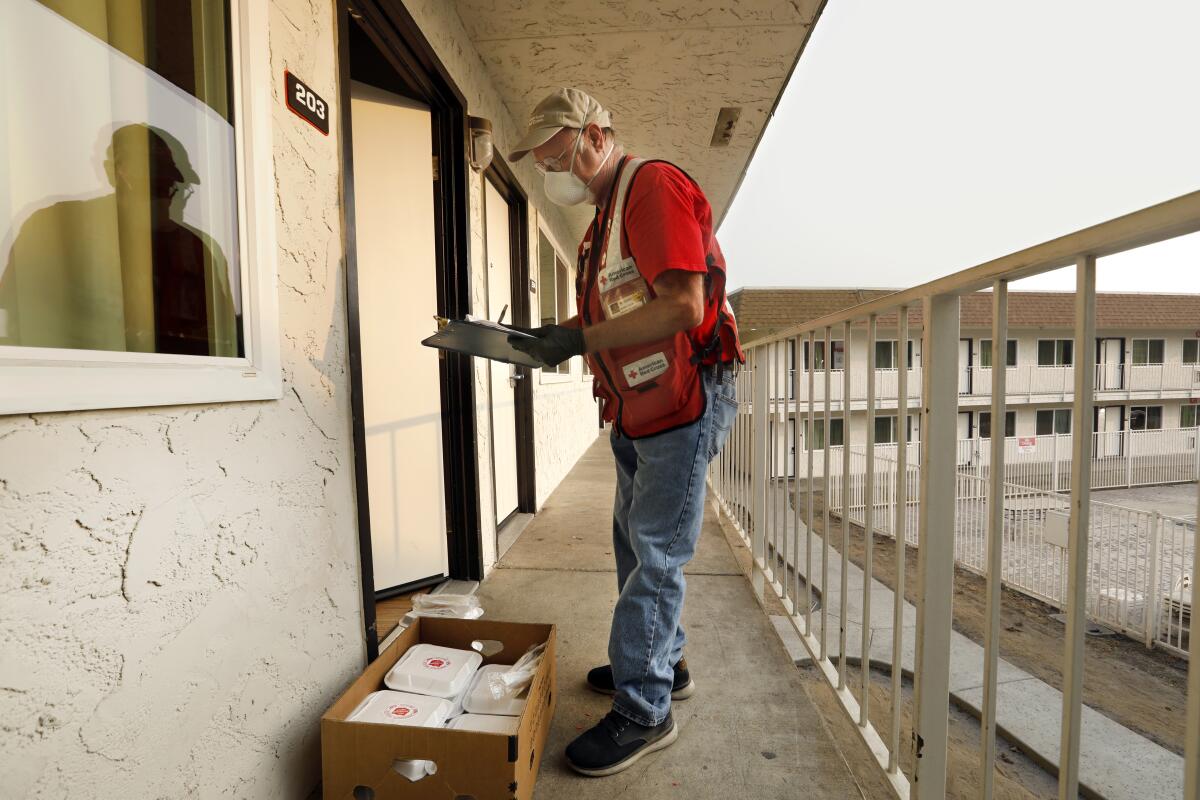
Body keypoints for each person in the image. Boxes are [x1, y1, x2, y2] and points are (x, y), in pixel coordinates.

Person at [506, 88, 744, 777]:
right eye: (544, 158)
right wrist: (569, 340)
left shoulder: (650, 188)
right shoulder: (603, 222)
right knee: (634, 544)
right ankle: (662, 664)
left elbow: (682, 305)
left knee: (655, 555)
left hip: (682, 403)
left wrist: (576, 339)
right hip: (641, 409)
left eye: (557, 152)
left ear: (596, 134)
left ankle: (646, 711)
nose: (553, 169)